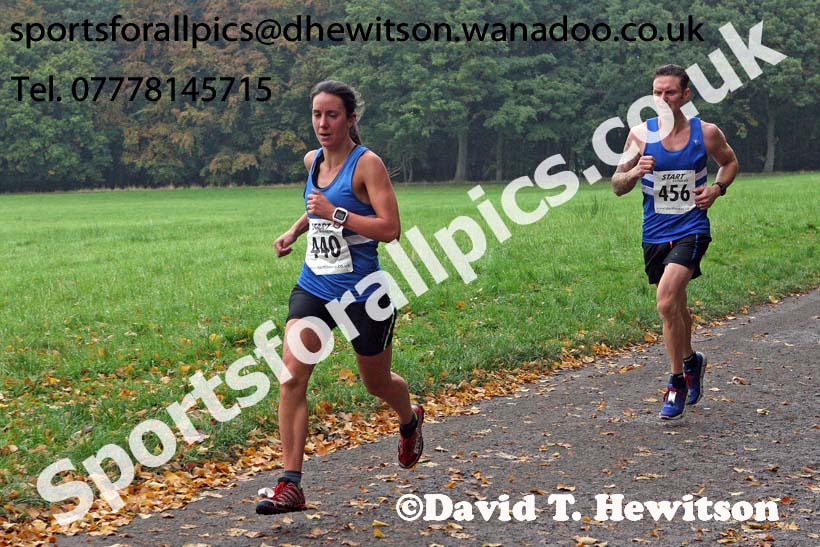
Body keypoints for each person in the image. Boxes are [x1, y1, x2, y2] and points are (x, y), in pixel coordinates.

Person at [256, 81, 424, 515]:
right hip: (314, 286)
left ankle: (409, 420)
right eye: (316, 114)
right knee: (291, 376)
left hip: (365, 294)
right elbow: (317, 206)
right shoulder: (313, 161)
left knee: (376, 384)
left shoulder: (368, 165)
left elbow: (390, 229)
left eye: (332, 115)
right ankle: (290, 483)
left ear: (351, 118)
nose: (323, 124)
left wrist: (338, 215)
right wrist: (295, 230)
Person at [612, 64, 738, 420]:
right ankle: (692, 361)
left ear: (686, 95)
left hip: (692, 228)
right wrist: (635, 171)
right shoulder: (640, 134)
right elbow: (617, 185)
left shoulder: (707, 132)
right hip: (654, 232)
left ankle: (676, 383)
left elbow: (729, 163)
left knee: (666, 302)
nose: (662, 99)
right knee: (677, 305)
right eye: (656, 92)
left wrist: (717, 188)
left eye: (669, 92)